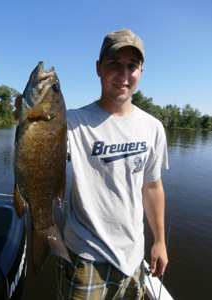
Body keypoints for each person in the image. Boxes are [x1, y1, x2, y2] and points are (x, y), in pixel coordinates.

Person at [14, 28, 169, 300]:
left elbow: (153, 187)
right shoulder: (71, 122)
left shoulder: (153, 128)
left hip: (133, 257)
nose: (123, 74)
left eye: (131, 66)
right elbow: (39, 156)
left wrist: (159, 241)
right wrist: (25, 120)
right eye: (114, 64)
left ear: (141, 71)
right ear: (99, 68)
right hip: (85, 259)